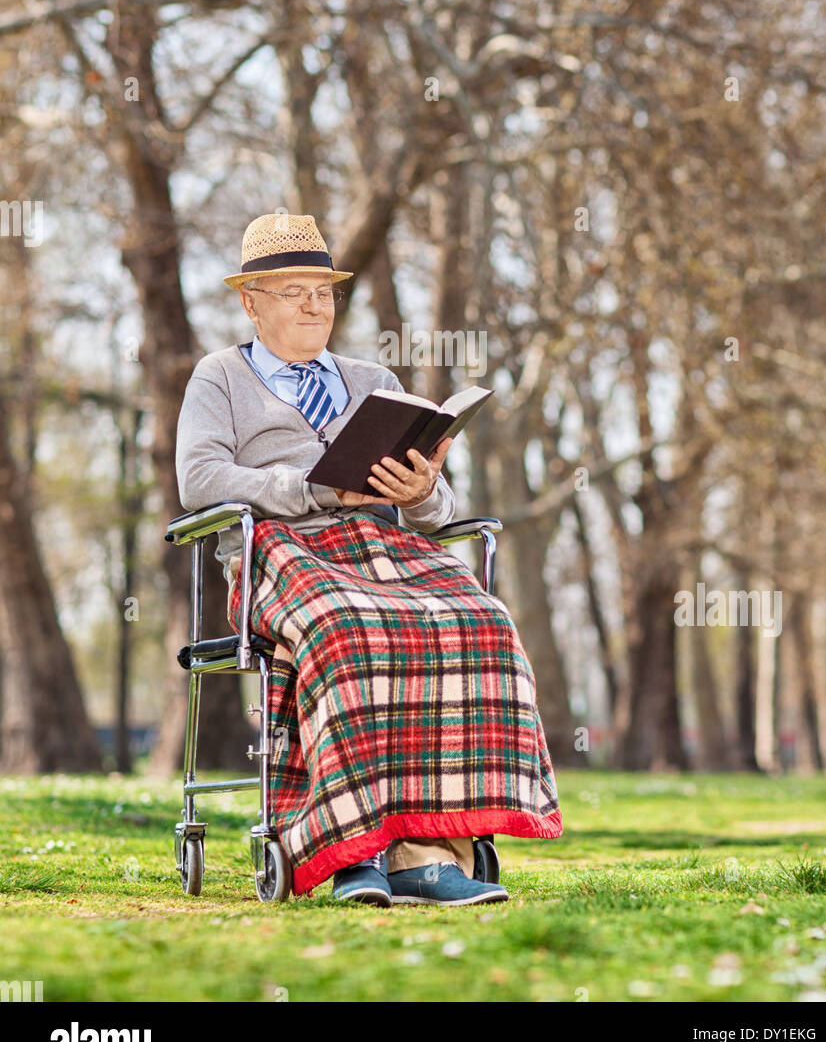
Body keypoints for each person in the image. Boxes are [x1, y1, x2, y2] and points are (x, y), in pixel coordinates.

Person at [175, 212, 563, 906]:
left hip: (384, 545)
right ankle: (358, 848)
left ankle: (429, 851)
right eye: (291, 290)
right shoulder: (219, 377)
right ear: (250, 301)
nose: (312, 303)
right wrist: (304, 487)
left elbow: (434, 511)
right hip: (280, 551)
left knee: (480, 620)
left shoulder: (370, 377)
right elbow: (198, 479)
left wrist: (422, 492)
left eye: (322, 291)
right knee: (347, 628)